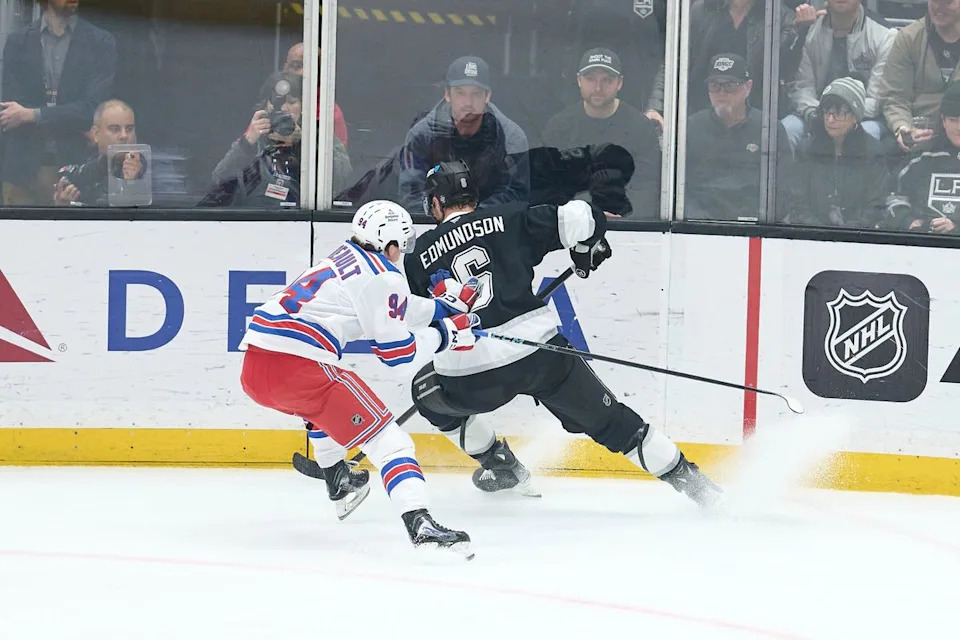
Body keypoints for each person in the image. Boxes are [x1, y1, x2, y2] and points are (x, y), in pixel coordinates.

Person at [403, 161, 722, 508]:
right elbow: (585, 216)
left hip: (471, 375)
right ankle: (696, 487)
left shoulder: (417, 256)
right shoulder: (509, 218)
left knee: (425, 392)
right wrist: (586, 248)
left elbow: (422, 322)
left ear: (436, 203)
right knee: (613, 422)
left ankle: (500, 464)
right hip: (542, 355)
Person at [239, 200, 480, 556]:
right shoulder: (385, 275)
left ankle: (338, 478)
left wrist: (440, 311)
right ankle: (420, 523)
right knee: (391, 443)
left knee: (321, 405)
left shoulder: (345, 256)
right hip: (298, 366)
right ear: (391, 244)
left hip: (256, 368)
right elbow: (396, 354)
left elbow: (388, 306)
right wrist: (448, 334)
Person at [0, 0, 117, 206]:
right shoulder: (18, 42)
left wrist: (32, 115)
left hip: (77, 169)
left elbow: (92, 109)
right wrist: (70, 121)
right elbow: (11, 112)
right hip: (22, 168)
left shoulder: (101, 42)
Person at [541, 48, 662, 218]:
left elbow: (648, 186)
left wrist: (626, 218)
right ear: (579, 80)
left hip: (628, 227)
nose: (598, 87)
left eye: (607, 80)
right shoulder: (559, 126)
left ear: (619, 83)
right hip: (572, 224)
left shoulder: (640, 127)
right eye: (590, 79)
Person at [398, 55, 529, 211]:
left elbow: (516, 194)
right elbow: (411, 196)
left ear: (487, 96)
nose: (468, 102)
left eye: (476, 93)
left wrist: (472, 218)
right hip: (434, 228)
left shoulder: (511, 138)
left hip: (492, 229)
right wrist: (447, 216)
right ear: (447, 94)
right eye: (460, 93)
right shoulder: (422, 136)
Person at [204, 73, 351, 207]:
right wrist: (248, 142)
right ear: (266, 105)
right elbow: (219, 180)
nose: (284, 108)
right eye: (277, 102)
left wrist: (303, 143)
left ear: (303, 106)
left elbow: (341, 181)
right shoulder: (253, 139)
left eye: (292, 102)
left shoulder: (320, 138)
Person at [685, 53, 791, 221]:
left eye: (730, 86)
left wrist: (759, 220)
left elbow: (784, 187)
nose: (721, 93)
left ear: (747, 87)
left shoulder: (769, 129)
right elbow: (682, 189)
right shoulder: (691, 127)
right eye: (714, 85)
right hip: (701, 226)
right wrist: (698, 220)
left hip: (754, 227)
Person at [784, 0, 896, 149]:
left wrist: (845, 115)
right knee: (788, 129)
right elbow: (802, 88)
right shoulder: (809, 28)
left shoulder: (885, 34)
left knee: (869, 133)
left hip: (862, 117)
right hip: (816, 113)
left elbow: (878, 99)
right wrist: (819, 115)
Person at [780, 77, 889, 227]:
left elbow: (874, 207)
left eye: (839, 112)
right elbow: (797, 205)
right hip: (811, 238)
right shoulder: (806, 149)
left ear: (855, 117)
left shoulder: (872, 151)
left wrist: (846, 236)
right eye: (827, 111)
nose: (830, 119)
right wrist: (820, 234)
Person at [880, 0, 960, 153]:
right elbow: (894, 97)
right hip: (919, 144)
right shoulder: (908, 38)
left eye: (947, 2)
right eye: (934, 0)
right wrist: (903, 128)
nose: (938, 7)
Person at [886, 79, 960, 233]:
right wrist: (908, 221)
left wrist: (955, 229)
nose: (959, 127)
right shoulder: (922, 157)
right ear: (943, 121)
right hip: (920, 245)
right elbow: (892, 196)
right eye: (954, 120)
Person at [53, 99, 144, 206]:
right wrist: (62, 207)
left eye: (129, 129)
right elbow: (64, 175)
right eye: (115, 129)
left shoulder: (148, 170)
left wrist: (131, 184)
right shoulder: (85, 168)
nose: (124, 135)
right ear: (96, 134)